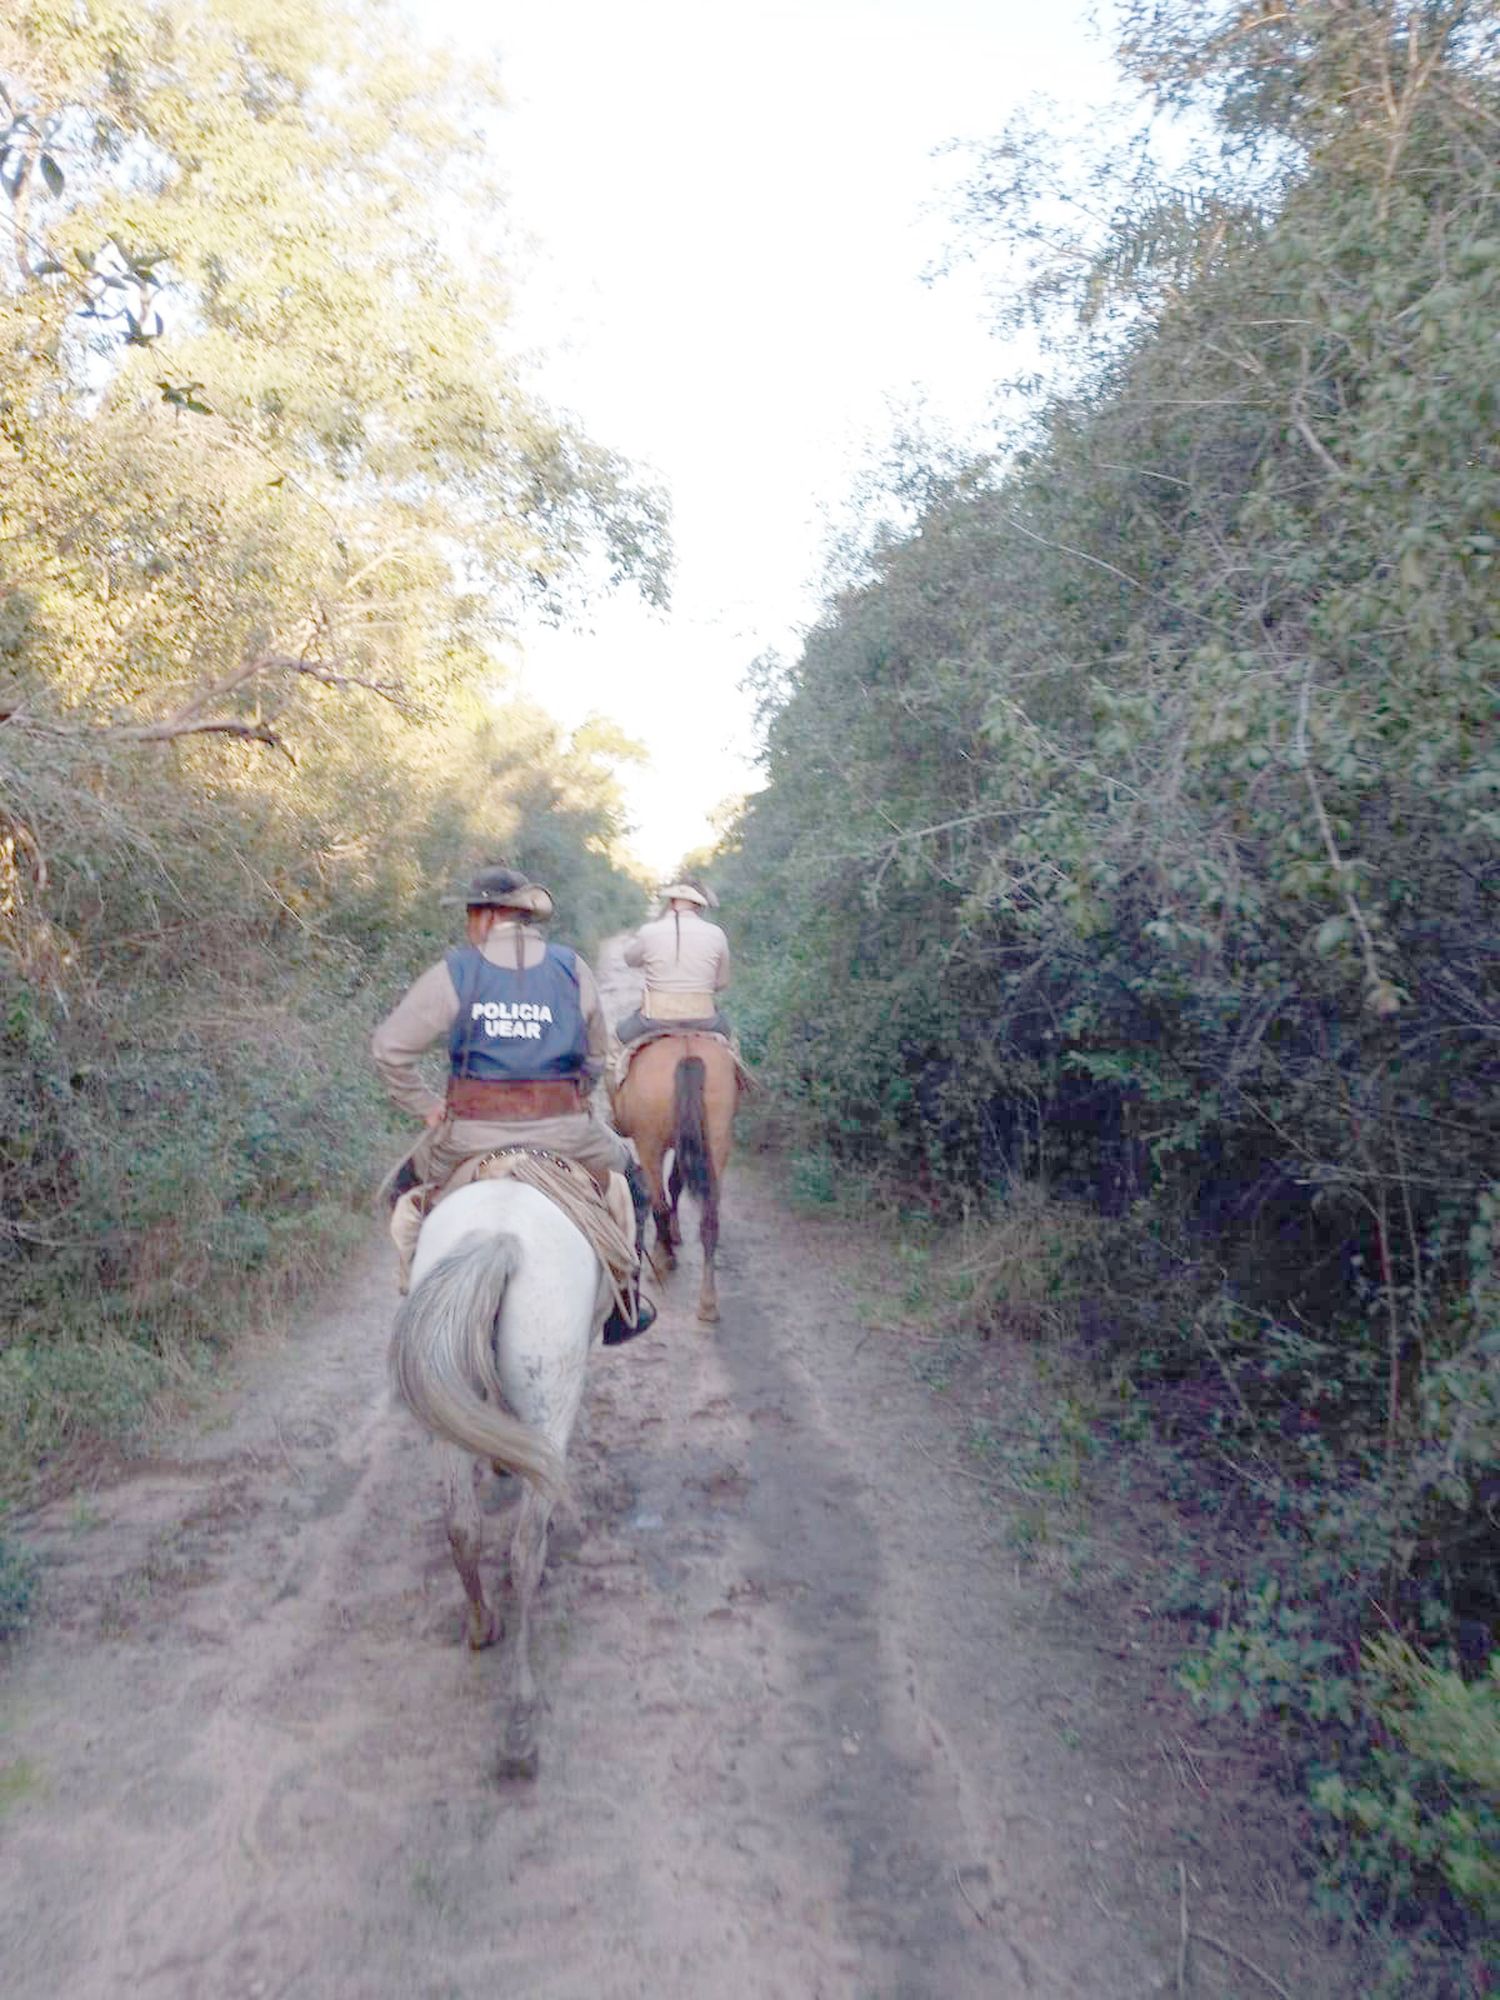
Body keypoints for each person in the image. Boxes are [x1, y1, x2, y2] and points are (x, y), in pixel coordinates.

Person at [372, 865, 655, 1344]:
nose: (467, 924)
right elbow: (596, 1052)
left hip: (468, 1136)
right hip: (566, 1132)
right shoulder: (572, 968)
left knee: (400, 1192)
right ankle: (624, 1305)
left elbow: (389, 1049)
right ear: (521, 915)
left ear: (487, 916)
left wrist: (424, 1104)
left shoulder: (455, 971)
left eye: (469, 913)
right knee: (632, 1181)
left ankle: (414, 1291)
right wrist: (577, 1094)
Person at [615, 879, 731, 1045]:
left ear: (670, 902)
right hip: (704, 1017)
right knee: (731, 1043)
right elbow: (722, 982)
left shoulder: (649, 931)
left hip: (655, 1017)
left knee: (617, 1038)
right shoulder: (717, 933)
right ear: (699, 905)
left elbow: (630, 960)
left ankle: (613, 1070)